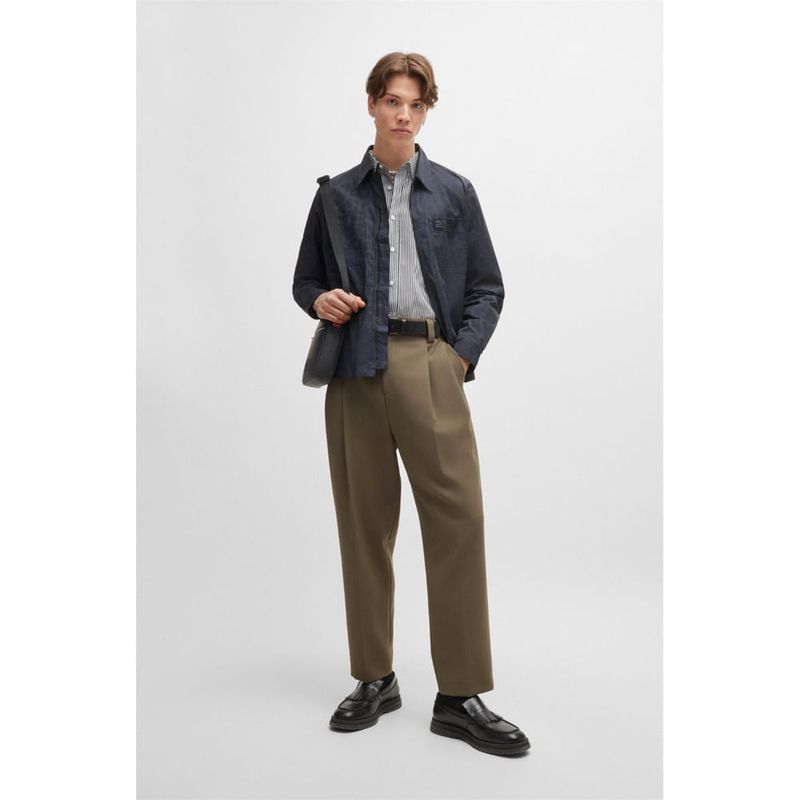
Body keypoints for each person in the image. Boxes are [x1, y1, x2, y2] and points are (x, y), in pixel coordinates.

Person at [292, 52, 530, 756]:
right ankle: (375, 677)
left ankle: (459, 695)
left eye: (415, 104)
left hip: (431, 364)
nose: (403, 114)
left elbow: (487, 286)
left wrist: (457, 358)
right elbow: (305, 278)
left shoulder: (453, 192)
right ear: (371, 104)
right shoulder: (335, 196)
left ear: (426, 112)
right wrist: (320, 299)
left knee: (459, 520)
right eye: (392, 100)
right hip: (355, 371)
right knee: (364, 527)